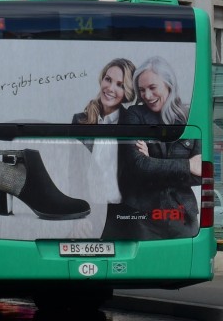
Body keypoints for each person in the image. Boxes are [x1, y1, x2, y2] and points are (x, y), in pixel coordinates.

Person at [104, 57, 201, 240]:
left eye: (152, 88)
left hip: (183, 217)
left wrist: (152, 163)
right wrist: (187, 165)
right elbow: (138, 167)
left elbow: (201, 174)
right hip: (143, 218)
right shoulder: (134, 116)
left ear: (168, 84)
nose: (147, 96)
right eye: (142, 90)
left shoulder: (190, 117)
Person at [73, 58, 136, 125]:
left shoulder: (132, 121)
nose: (110, 88)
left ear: (128, 91)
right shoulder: (79, 119)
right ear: (102, 79)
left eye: (120, 85)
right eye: (108, 79)